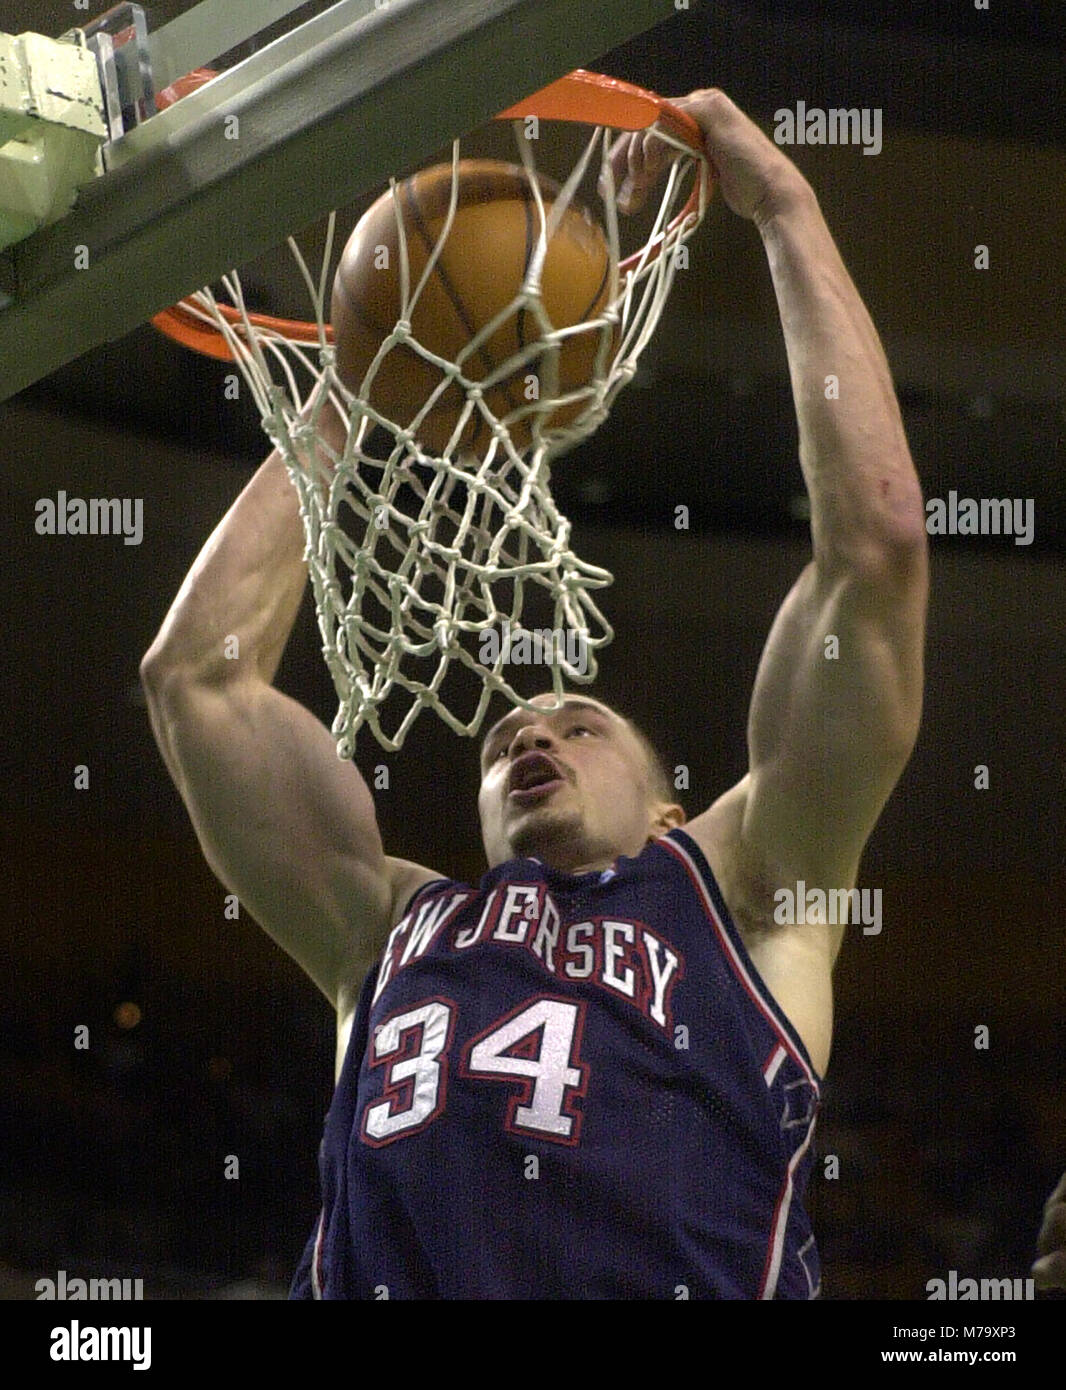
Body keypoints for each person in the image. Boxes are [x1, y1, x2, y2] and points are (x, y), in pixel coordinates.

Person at [140, 88, 928, 1298]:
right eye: (512, 732)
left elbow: (874, 555)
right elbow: (193, 681)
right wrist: (357, 388)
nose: (533, 730)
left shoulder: (748, 890)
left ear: (675, 810)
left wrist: (784, 207)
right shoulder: (385, 928)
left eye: (581, 723)